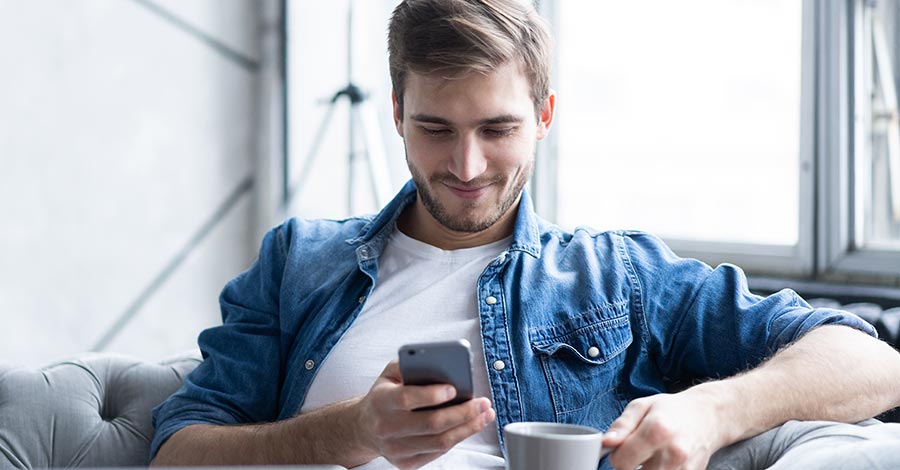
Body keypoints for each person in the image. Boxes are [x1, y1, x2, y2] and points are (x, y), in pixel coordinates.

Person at [150, 1, 900, 469]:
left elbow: (871, 362)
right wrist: (348, 434)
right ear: (395, 114)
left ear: (544, 116)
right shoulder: (299, 259)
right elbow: (178, 452)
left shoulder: (616, 276)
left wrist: (712, 409)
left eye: (498, 128)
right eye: (434, 128)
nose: (466, 166)